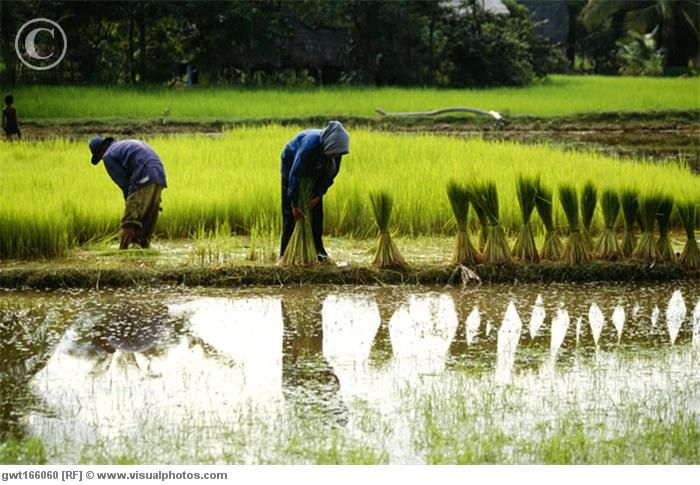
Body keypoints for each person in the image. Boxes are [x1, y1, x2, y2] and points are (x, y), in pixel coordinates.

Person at [280, 120, 350, 261]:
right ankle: (285, 254)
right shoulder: (309, 146)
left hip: (316, 171)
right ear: (328, 146)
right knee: (290, 216)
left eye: (337, 154)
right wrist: (294, 204)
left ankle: (319, 251)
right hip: (291, 165)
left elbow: (331, 175)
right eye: (333, 154)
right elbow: (295, 174)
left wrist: (318, 195)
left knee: (317, 214)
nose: (335, 157)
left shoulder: (336, 153)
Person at [88, 137, 167, 250]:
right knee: (147, 221)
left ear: (101, 151)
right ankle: (142, 249)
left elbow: (125, 183)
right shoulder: (122, 146)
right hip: (159, 175)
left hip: (142, 175)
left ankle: (122, 253)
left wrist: (130, 203)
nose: (101, 159)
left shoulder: (108, 156)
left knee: (130, 221)